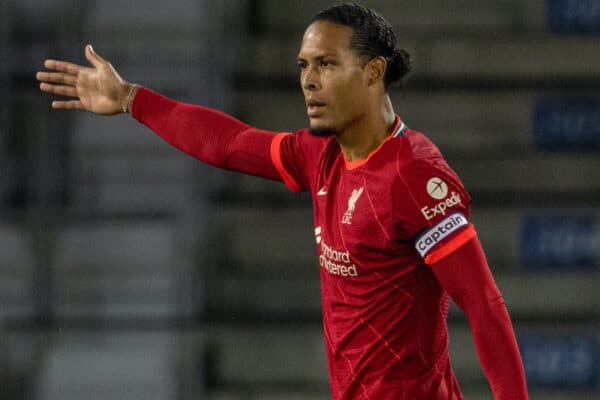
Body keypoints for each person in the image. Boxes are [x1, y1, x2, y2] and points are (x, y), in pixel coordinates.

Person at [37, 3, 528, 399]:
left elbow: (483, 305)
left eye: (327, 64)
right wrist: (129, 98)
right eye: (304, 66)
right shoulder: (319, 155)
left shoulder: (413, 176)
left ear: (373, 71)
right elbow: (228, 143)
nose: (308, 80)